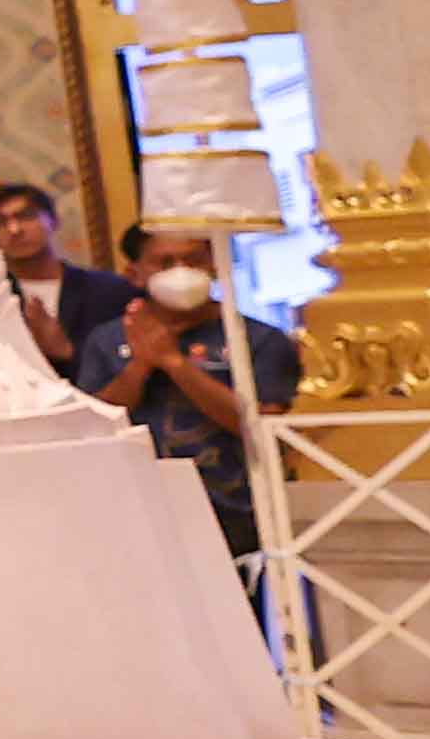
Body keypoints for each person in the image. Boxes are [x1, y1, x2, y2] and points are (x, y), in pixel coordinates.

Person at [75, 225, 303, 602]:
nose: (181, 271)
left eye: (193, 260)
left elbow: (260, 427)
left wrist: (175, 363)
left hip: (236, 514)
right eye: (165, 262)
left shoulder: (257, 339)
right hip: (139, 510)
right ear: (135, 272)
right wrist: (140, 366)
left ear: (215, 265)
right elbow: (93, 424)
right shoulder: (107, 340)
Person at [0, 182, 129, 382]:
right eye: (0, 222)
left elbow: (124, 369)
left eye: (26, 216)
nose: (14, 229)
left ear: (52, 220)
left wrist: (65, 352)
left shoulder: (108, 290)